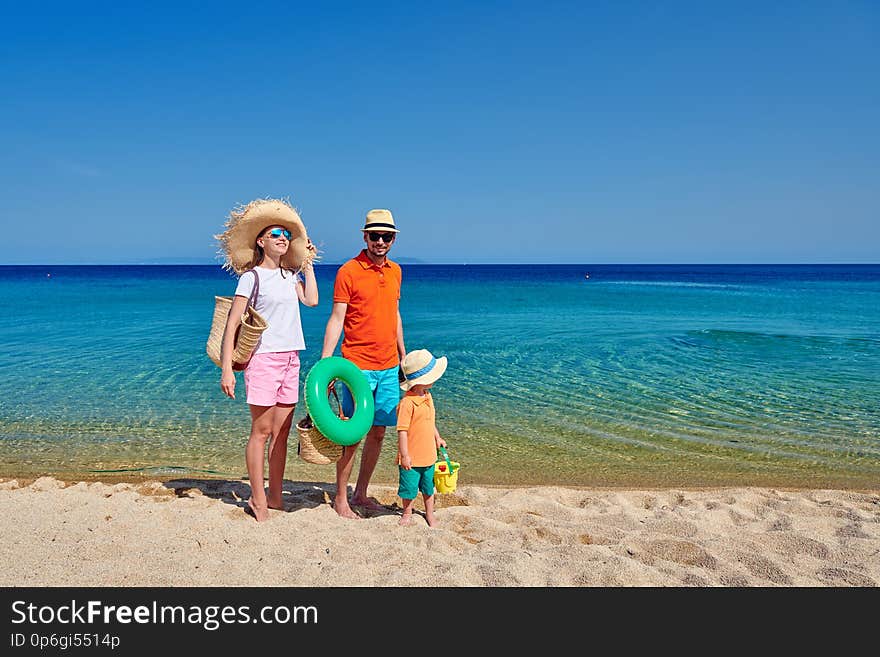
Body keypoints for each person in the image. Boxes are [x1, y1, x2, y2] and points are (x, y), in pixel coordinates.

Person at [217, 198, 318, 522]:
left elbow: (313, 301)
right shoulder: (251, 278)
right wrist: (227, 370)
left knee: (282, 432)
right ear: (261, 241)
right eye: (276, 233)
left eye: (286, 234)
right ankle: (258, 500)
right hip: (263, 359)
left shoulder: (291, 276)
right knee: (260, 431)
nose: (283, 238)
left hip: (291, 358)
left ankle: (275, 495)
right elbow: (232, 323)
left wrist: (308, 264)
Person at [321, 208, 405, 519]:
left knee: (380, 432)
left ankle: (361, 493)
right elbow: (337, 319)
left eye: (386, 236)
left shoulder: (396, 271)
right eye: (374, 235)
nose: (380, 241)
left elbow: (394, 316)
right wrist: (326, 365)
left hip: (388, 365)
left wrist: (403, 358)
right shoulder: (348, 272)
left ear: (393, 239)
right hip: (356, 367)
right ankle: (341, 499)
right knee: (352, 434)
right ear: (364, 236)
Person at [396, 349, 448, 527]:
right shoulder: (407, 403)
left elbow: (429, 421)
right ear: (421, 380)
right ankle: (407, 513)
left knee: (428, 488)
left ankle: (429, 514)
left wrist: (438, 438)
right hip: (411, 456)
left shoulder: (427, 396)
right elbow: (402, 431)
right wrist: (404, 455)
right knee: (409, 489)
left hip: (429, 455)